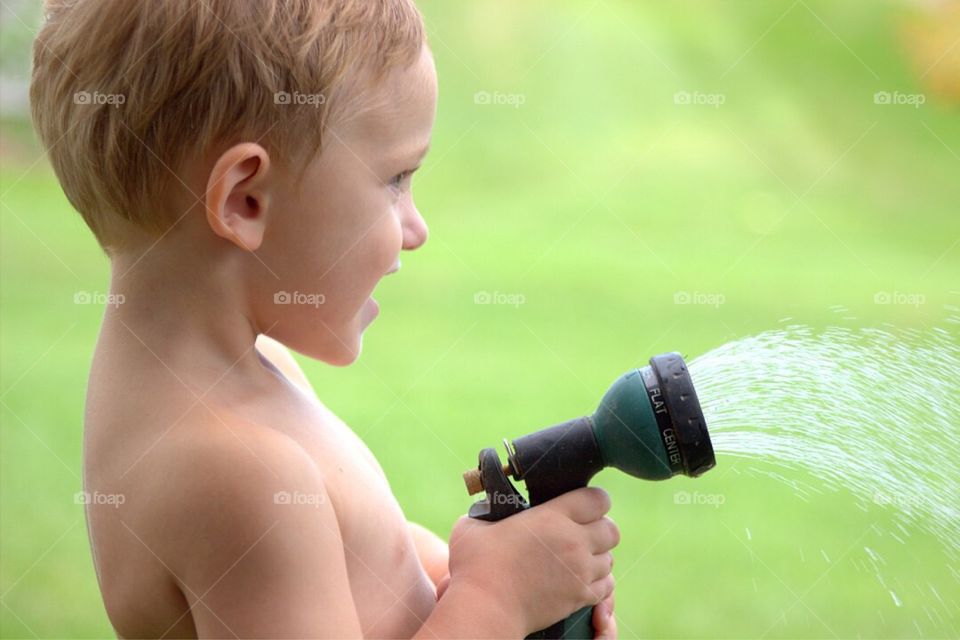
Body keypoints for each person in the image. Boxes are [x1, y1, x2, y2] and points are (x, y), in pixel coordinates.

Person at [29, 1, 619, 636]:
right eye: (395, 178)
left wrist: (475, 581)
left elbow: (362, 564)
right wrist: (497, 601)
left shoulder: (240, 390)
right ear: (245, 199)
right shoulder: (240, 476)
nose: (415, 229)